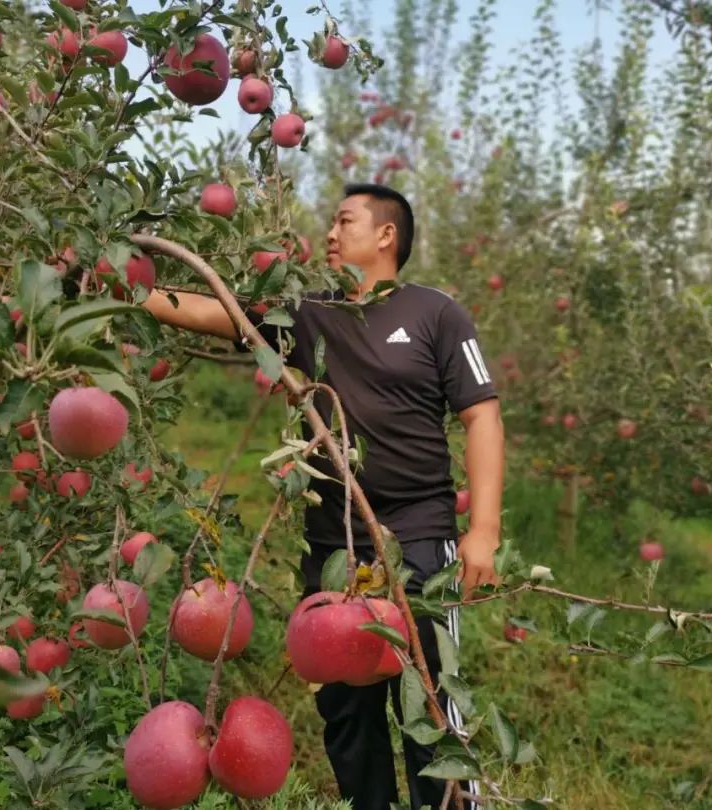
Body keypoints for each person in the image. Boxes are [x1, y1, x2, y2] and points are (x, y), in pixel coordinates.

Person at [143, 183, 504, 810]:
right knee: (347, 713)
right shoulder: (309, 310)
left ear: (386, 235)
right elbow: (217, 311)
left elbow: (482, 418)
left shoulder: (436, 314)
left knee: (430, 702)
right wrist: (123, 289)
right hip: (333, 542)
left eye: (344, 222)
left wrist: (484, 531)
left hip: (419, 537)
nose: (330, 235)